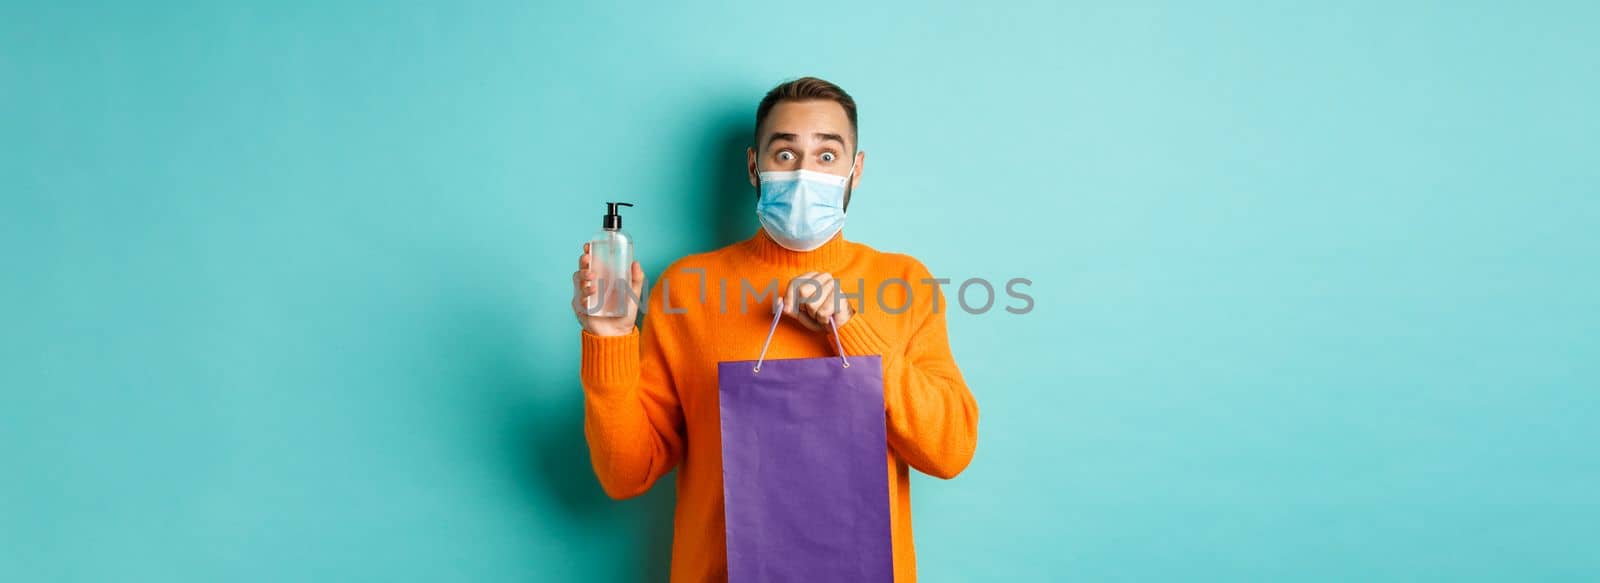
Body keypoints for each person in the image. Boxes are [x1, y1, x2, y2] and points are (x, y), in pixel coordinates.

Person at [570, 76, 979, 582]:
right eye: (785, 154)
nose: (805, 172)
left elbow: (951, 450)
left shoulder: (903, 282)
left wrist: (851, 329)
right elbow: (626, 475)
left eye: (827, 156)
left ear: (857, 170)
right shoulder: (685, 287)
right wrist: (609, 340)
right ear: (753, 166)